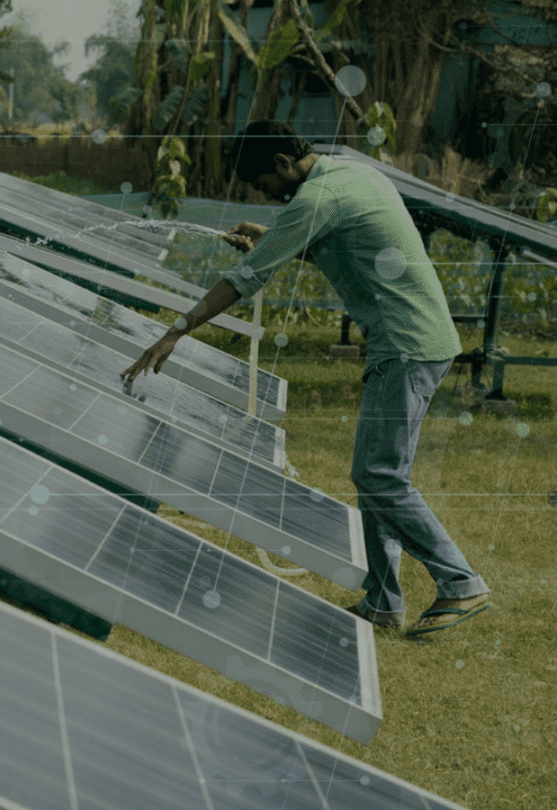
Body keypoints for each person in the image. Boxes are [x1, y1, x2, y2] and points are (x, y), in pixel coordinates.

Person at [120, 120, 491, 637]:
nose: (263, 196)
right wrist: (273, 236)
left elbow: (245, 278)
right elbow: (337, 241)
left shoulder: (315, 199)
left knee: (381, 476)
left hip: (407, 344)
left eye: (260, 186)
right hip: (414, 338)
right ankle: (384, 603)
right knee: (378, 473)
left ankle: (462, 582)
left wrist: (175, 332)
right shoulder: (348, 175)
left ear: (279, 164)